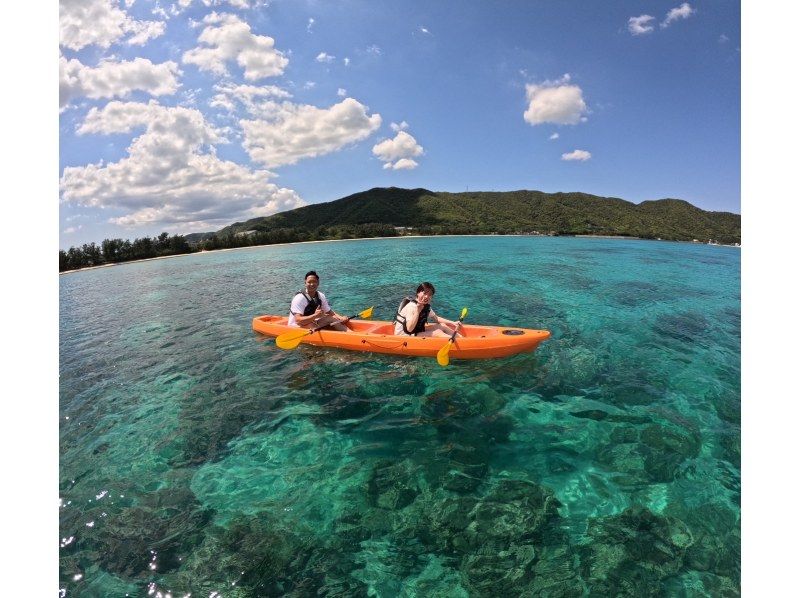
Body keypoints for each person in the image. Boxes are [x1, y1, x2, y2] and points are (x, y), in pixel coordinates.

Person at [394, 282, 463, 338]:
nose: (427, 296)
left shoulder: (425, 306)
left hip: (415, 331)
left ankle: (462, 339)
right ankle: (459, 344)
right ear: (418, 293)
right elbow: (409, 329)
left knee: (442, 325)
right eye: (424, 293)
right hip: (403, 335)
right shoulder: (412, 307)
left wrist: (453, 322)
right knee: (438, 333)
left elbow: (436, 319)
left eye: (430, 294)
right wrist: (417, 311)